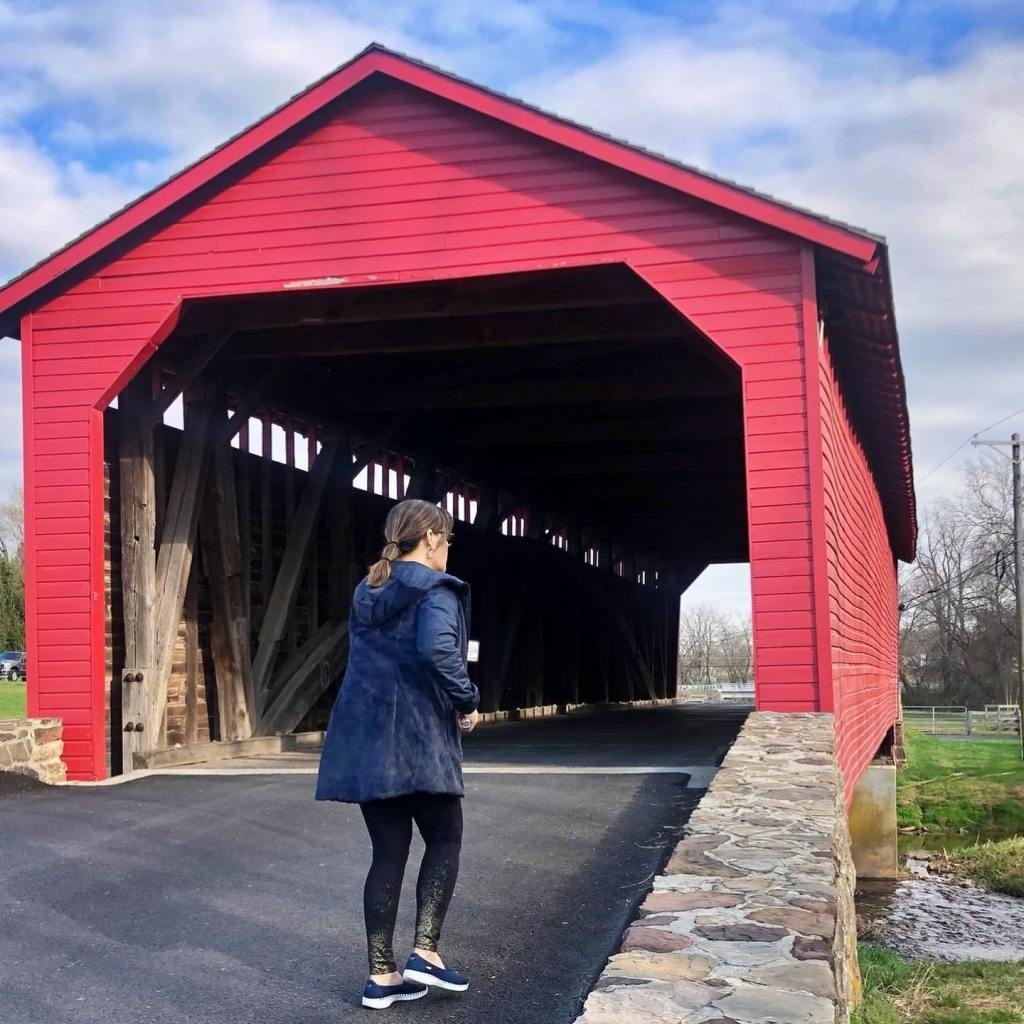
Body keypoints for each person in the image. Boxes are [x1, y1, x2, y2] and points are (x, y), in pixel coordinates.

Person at [315, 498, 481, 1010]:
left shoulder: (370, 588)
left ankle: (382, 976)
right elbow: (437, 650)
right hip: (417, 738)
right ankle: (425, 953)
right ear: (431, 538)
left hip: (366, 738)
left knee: (388, 852)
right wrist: (468, 701)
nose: (448, 550)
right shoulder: (437, 589)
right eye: (447, 540)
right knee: (446, 838)